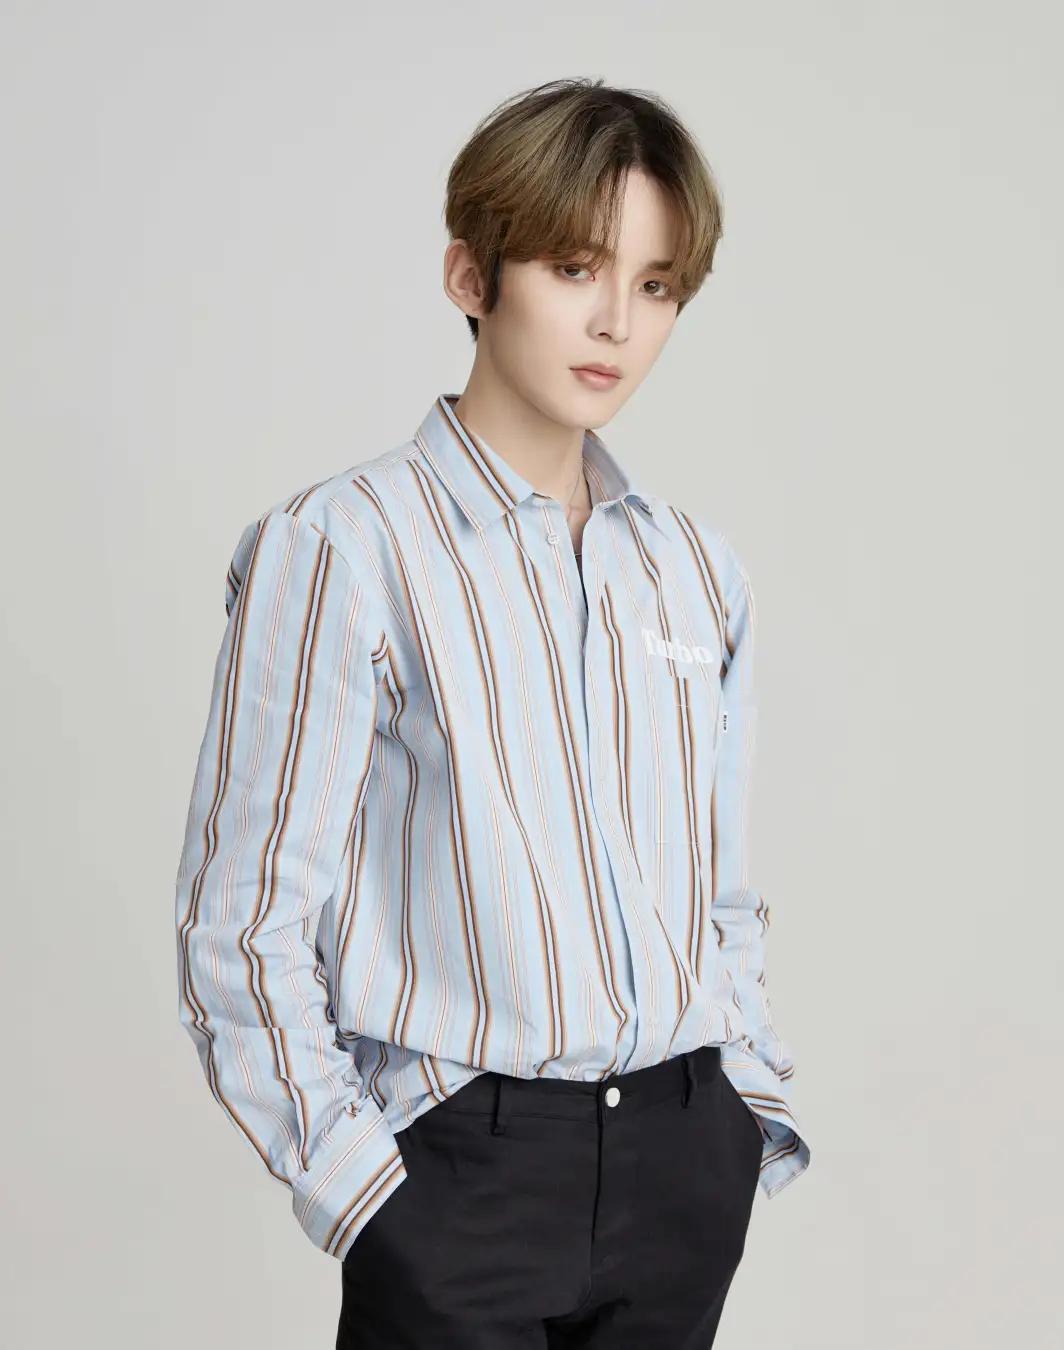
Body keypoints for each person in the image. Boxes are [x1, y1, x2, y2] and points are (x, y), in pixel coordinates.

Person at [174, 76, 810, 1349]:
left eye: (656, 285)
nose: (615, 321)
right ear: (473, 273)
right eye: (576, 268)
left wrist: (744, 1110)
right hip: (463, 1177)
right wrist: (365, 1190)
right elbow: (242, 925)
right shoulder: (343, 548)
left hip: (681, 1162)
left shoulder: (695, 571)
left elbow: (719, 894)